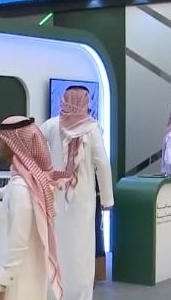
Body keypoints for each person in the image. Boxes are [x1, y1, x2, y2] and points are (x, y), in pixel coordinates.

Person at [0, 116, 67, 300]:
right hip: (22, 277)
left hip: (18, 283)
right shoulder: (23, 183)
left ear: (14, 144)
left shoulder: (21, 188)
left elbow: (19, 244)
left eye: (0, 139)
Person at [39, 85, 113, 299]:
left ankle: (54, 293)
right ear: (85, 102)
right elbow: (103, 164)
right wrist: (107, 200)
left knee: (56, 246)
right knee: (81, 249)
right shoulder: (92, 129)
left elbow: (34, 149)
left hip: (54, 197)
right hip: (82, 202)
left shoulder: (50, 125)